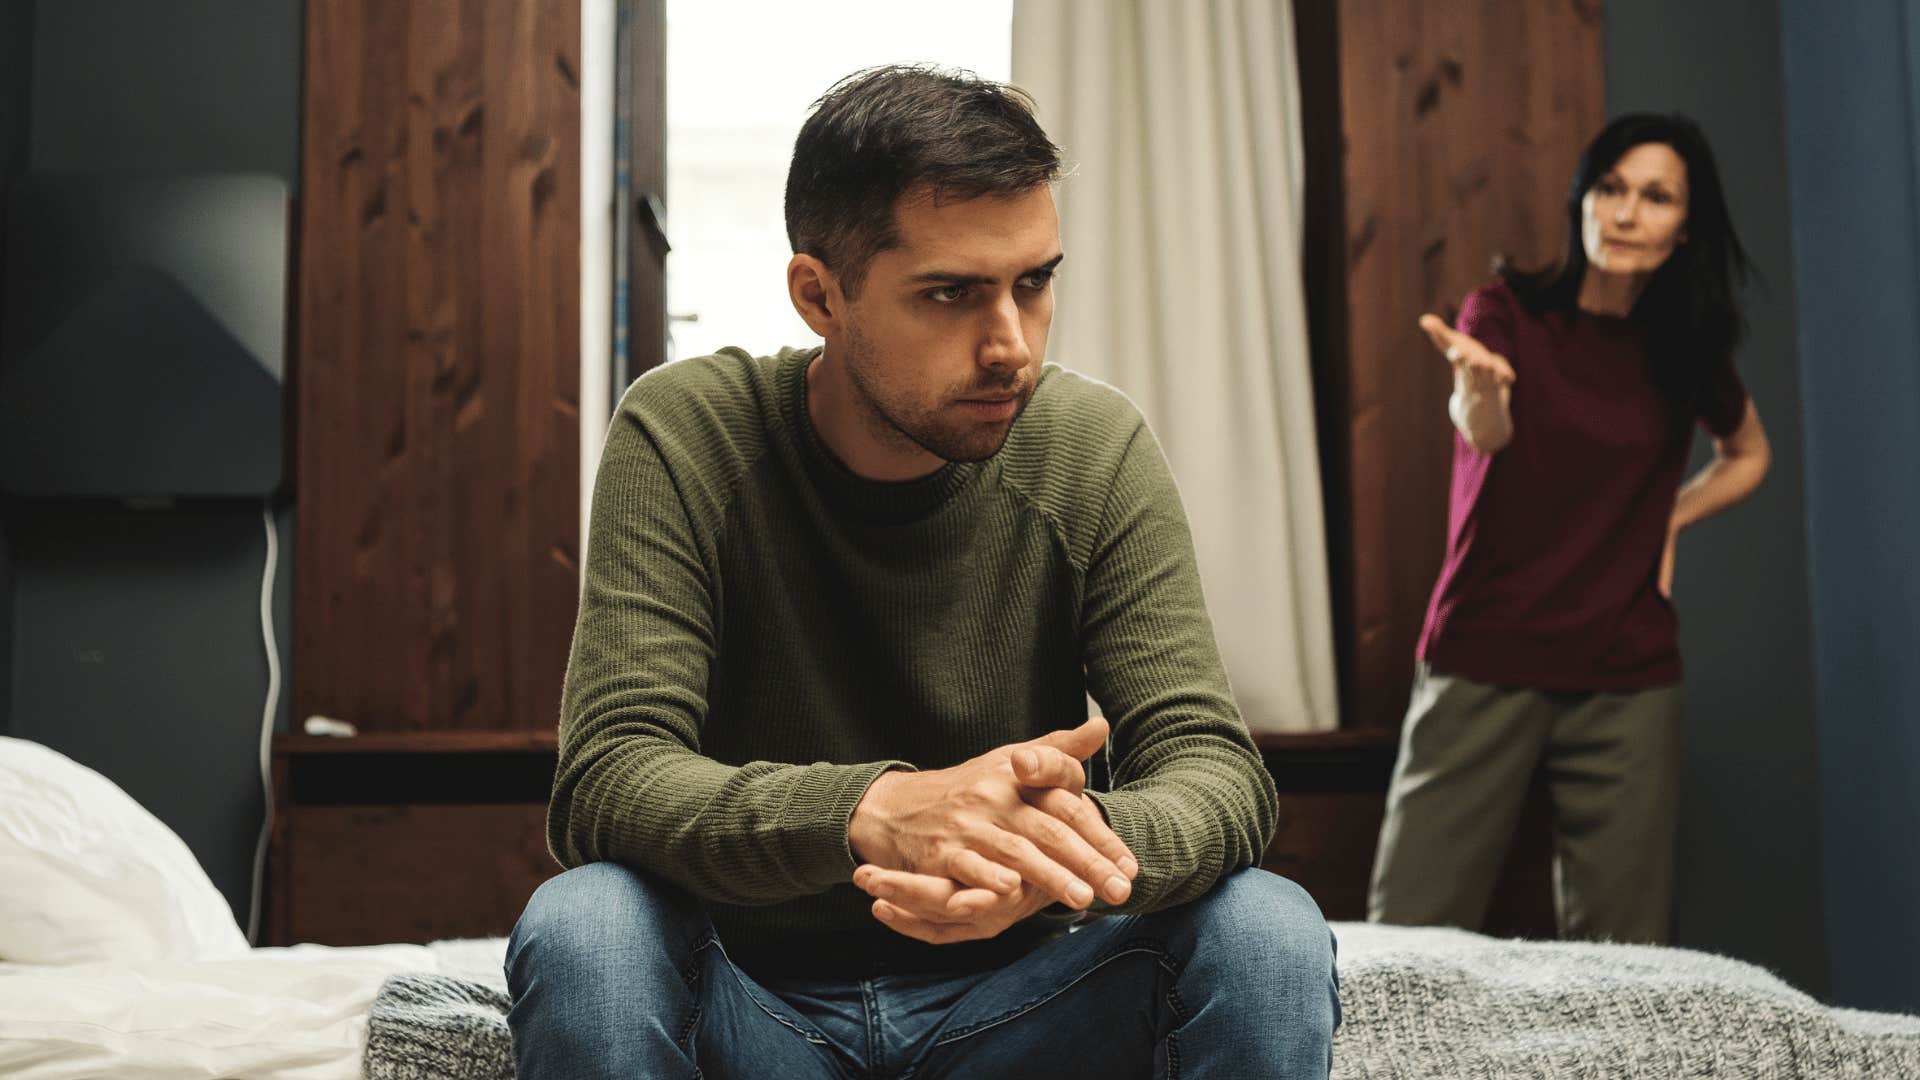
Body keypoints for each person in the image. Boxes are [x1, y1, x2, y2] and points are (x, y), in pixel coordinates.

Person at [505, 65, 1339, 1079]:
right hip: (748, 1009)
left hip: (1031, 1007)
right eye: (952, 294)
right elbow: (608, 777)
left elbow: (1217, 772)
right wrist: (877, 812)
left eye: (1033, 284)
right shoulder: (686, 433)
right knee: (585, 922)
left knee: (1268, 926)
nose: (1012, 348)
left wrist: (1040, 855)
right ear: (821, 295)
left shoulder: (1092, 446)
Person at [1367, 113, 1773, 945]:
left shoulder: (1686, 346)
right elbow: (1485, 426)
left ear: (1686, 225)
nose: (1625, 214)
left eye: (1655, 197)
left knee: (1627, 962)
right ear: (1582, 200)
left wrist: (1667, 520)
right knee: (1406, 941)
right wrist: (1479, 389)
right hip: (1484, 655)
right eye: (1610, 188)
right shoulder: (1505, 312)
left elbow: (1747, 454)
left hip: (1627, 676)